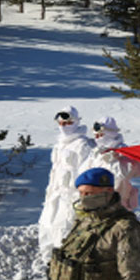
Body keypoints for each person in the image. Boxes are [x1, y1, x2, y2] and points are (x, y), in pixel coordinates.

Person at [38, 106, 96, 264]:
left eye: (68, 123)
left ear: (76, 122)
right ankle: (52, 277)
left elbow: (86, 176)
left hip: (69, 201)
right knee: (46, 233)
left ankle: (67, 277)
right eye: (61, 123)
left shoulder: (83, 146)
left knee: (64, 236)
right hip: (53, 200)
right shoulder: (59, 145)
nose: (64, 127)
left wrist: (81, 202)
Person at [79, 117, 140, 211]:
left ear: (110, 134)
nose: (97, 139)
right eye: (96, 136)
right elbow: (83, 173)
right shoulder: (97, 152)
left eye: (100, 135)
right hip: (97, 202)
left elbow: (127, 173)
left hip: (118, 204)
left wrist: (114, 160)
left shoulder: (123, 152)